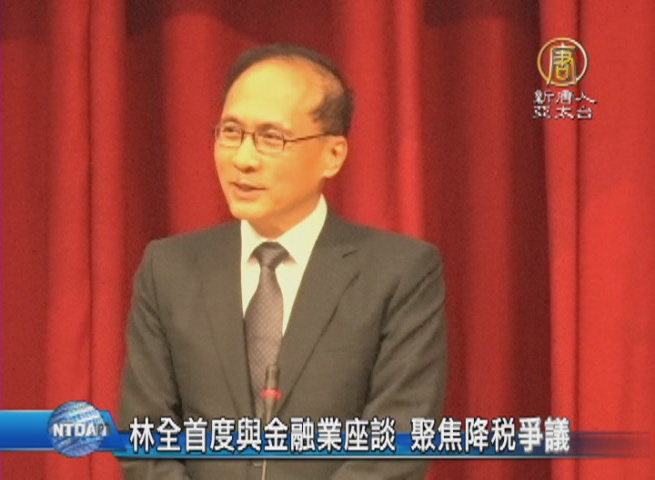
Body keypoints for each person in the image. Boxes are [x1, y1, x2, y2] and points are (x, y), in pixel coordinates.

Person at [119, 44, 447, 480]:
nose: (243, 159)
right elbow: (145, 438)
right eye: (231, 132)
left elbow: (398, 442)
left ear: (333, 155)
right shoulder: (170, 269)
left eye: (272, 138)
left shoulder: (400, 273)